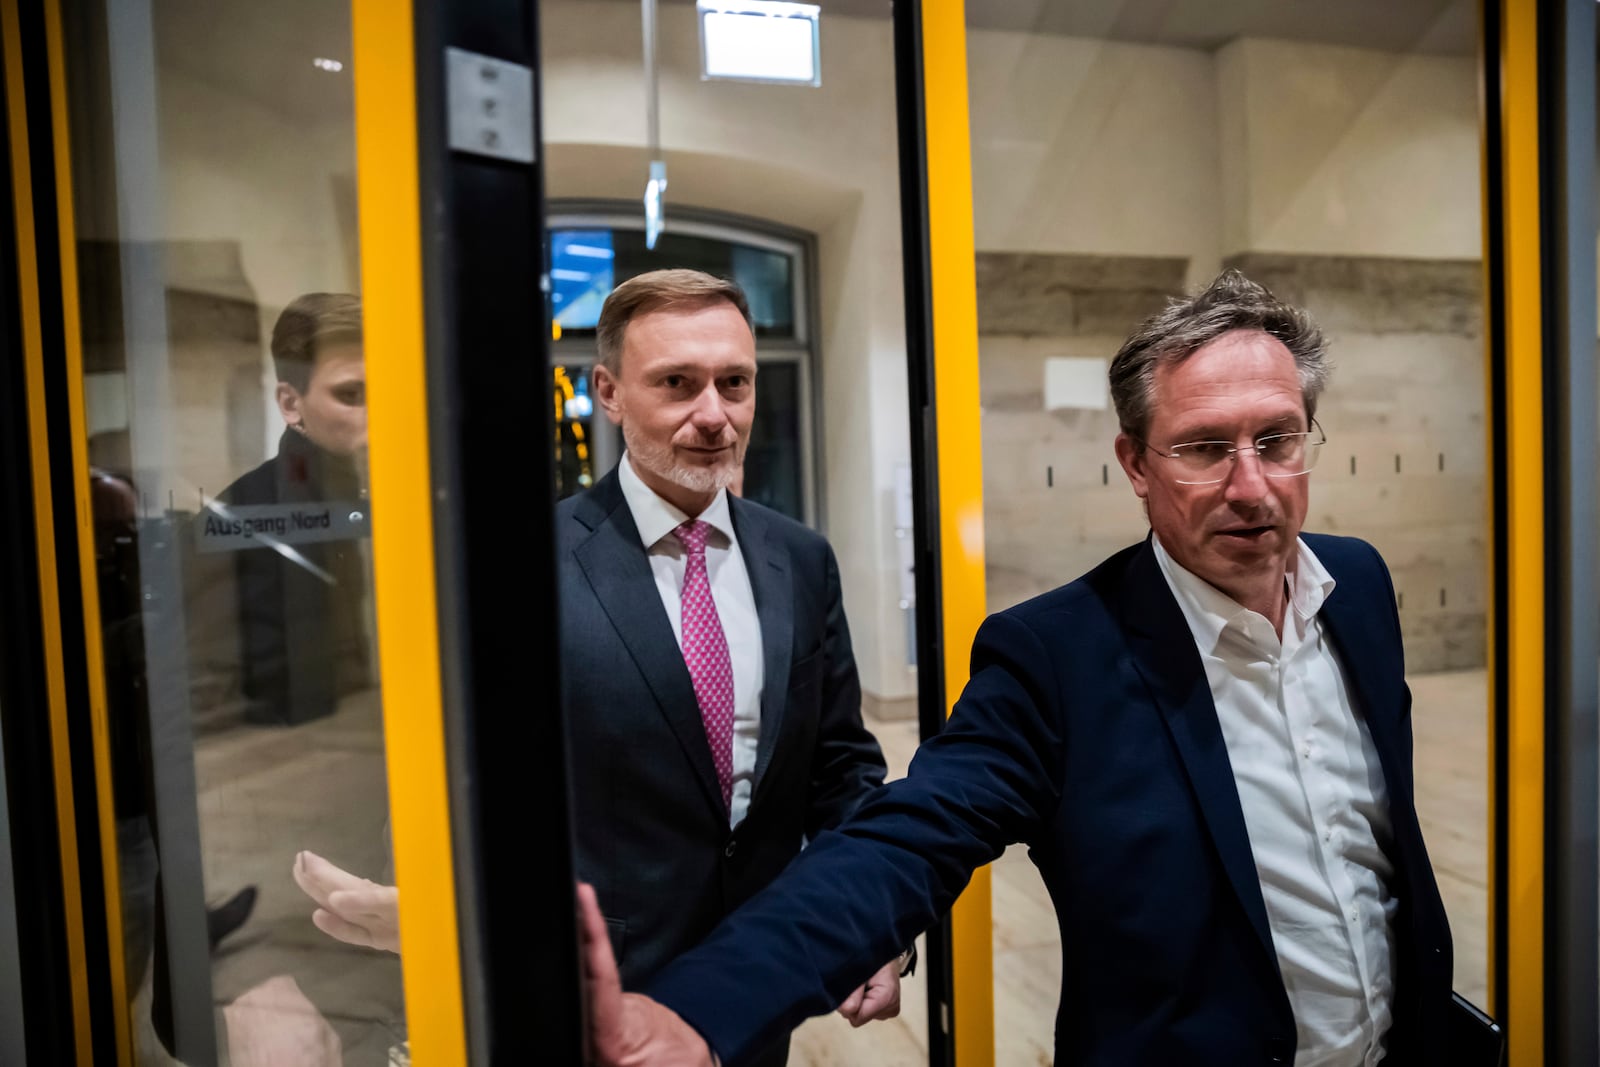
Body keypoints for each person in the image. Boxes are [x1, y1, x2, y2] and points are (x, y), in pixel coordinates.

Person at [582, 268, 1455, 1066]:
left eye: (1277, 439)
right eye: (1202, 448)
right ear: (1136, 465)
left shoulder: (1361, 587)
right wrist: (701, 1011)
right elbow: (908, 836)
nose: (1252, 485)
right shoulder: (1058, 654)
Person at [296, 269, 910, 1065]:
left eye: (735, 382)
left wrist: (866, 921)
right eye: (678, 384)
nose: (715, 415)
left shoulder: (799, 556)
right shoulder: (525, 565)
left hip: (761, 978)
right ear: (609, 392)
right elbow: (461, 770)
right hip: (585, 992)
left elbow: (840, 765)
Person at [187, 292, 374, 729]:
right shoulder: (236, 520)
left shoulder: (420, 501)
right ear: (292, 405)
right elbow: (204, 698)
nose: (379, 414)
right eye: (351, 395)